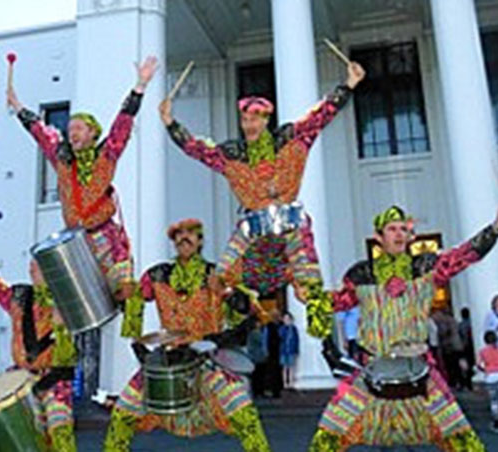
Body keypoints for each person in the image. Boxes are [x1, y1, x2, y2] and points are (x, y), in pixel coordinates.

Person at [159, 62, 365, 328]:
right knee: (222, 276)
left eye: (255, 118)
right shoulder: (232, 154)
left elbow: (321, 116)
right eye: (245, 120)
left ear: (266, 120)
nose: (249, 125)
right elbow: (196, 149)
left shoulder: (291, 139)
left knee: (309, 284)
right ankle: (235, 321)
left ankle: (326, 338)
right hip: (253, 232)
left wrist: (349, 85)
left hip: (291, 227)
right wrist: (170, 123)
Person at [307, 198, 498, 451]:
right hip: (371, 372)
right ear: (378, 237)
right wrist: (313, 298)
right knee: (324, 442)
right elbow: (333, 304)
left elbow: (465, 255)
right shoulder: (361, 274)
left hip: (420, 374)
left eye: (403, 229)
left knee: (466, 443)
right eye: (392, 229)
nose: (399, 234)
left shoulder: (425, 267)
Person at [103, 219, 271, 452]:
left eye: (190, 234)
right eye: (178, 235)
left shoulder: (216, 274)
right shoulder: (158, 274)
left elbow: (250, 312)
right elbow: (135, 298)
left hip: (208, 359)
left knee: (246, 416)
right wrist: (137, 343)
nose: (184, 238)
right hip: (169, 358)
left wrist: (226, 292)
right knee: (122, 414)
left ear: (200, 240)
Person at [7, 56, 158, 302]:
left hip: (107, 239)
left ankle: (137, 335)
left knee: (126, 293)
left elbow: (123, 124)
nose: (71, 132)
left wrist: (139, 86)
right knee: (77, 305)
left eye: (78, 128)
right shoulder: (63, 159)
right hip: (77, 243)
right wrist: (18, 107)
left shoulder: (106, 156)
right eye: (70, 128)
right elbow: (40, 132)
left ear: (92, 133)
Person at [0, 236, 78, 451]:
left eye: (37, 265)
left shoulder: (67, 301)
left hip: (54, 381)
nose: (31, 268)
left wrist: (60, 327)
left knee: (60, 431)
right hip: (20, 379)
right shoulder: (20, 295)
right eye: (31, 264)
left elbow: (68, 355)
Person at [477, 330, 498, 433]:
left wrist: (486, 370)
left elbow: (479, 364)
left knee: (494, 401)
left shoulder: (483, 351)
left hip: (490, 377)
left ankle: (496, 424)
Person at [279, 312, 299, 390]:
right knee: (285, 367)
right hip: (284, 350)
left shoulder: (293, 329)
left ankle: (291, 382)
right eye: (285, 319)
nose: (287, 320)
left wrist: (296, 350)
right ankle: (285, 383)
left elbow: (296, 339)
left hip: (291, 350)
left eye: (288, 319)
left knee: (291, 367)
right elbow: (281, 336)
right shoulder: (282, 328)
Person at [458, 307, 475, 391]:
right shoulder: (473, 323)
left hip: (465, 346)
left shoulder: (461, 325)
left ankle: (468, 384)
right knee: (472, 363)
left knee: (467, 365)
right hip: (472, 345)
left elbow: (460, 336)